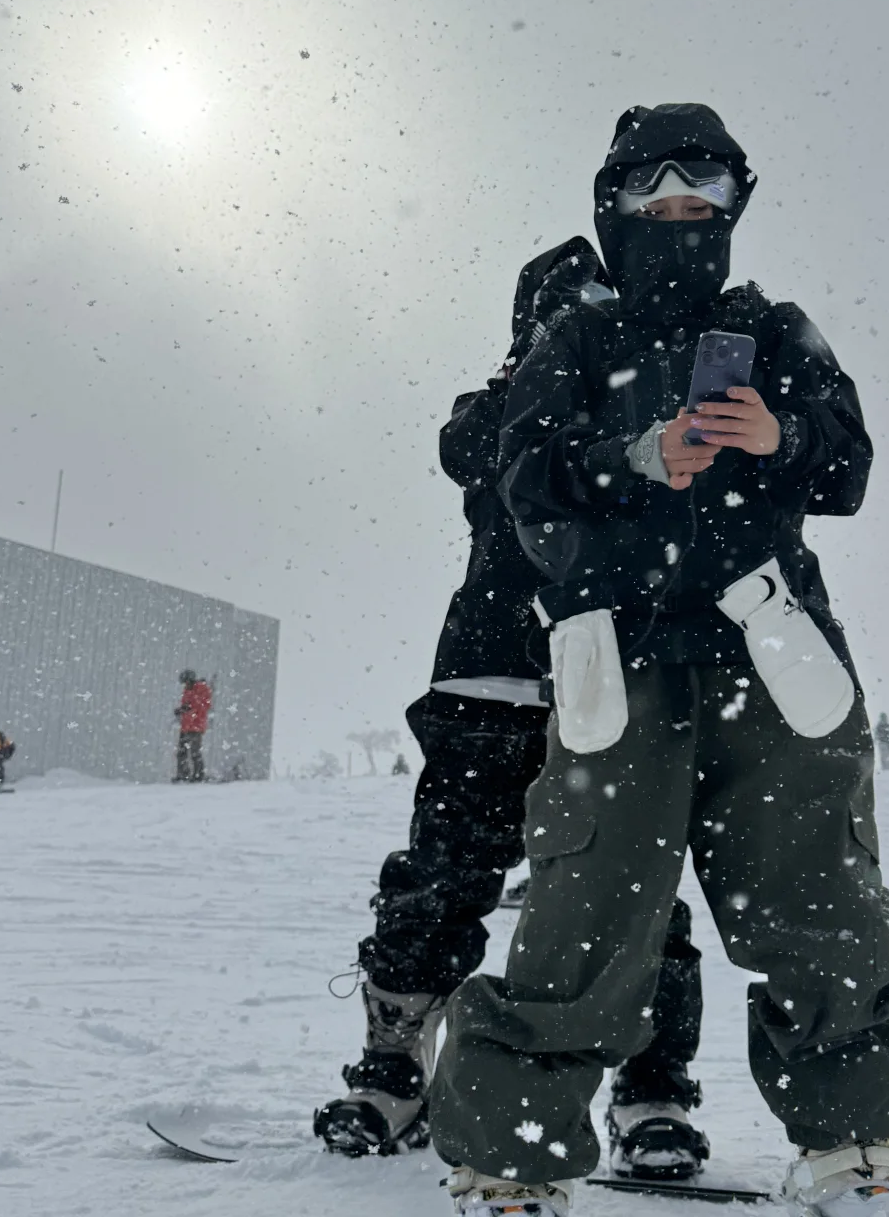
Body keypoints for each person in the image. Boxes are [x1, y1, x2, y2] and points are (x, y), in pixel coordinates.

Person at [429, 103, 889, 1217]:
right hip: (623, 653)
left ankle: (855, 1146)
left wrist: (779, 438)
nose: (677, 208)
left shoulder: (777, 330)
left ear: (733, 203)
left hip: (774, 648)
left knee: (819, 896)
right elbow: (523, 484)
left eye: (701, 191)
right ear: (614, 204)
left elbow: (846, 472)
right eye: (652, 191)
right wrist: (635, 458)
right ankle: (511, 1160)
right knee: (590, 902)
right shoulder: (577, 340)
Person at [314, 243, 709, 1180]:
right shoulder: (498, 408)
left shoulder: (646, 409)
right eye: (563, 309)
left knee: (632, 891)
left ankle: (652, 1090)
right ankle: (394, 1067)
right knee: (440, 879)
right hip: (489, 673)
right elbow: (471, 454)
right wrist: (542, 364)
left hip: (614, 678)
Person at [173, 671, 212, 782]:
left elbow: (203, 705)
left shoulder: (201, 689)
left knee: (195, 752)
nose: (186, 685)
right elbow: (188, 705)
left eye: (187, 682)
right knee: (182, 752)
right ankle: (183, 775)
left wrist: (188, 708)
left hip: (196, 726)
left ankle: (198, 775)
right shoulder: (188, 690)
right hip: (186, 726)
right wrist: (181, 710)